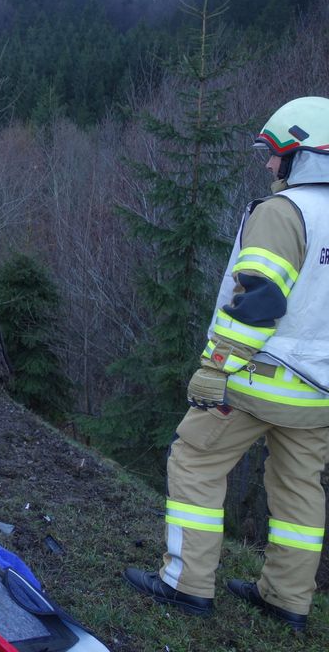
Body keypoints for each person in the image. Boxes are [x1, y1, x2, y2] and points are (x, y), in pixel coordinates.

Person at [123, 96, 329, 634]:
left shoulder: (286, 213)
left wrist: (216, 367)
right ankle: (286, 599)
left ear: (305, 156)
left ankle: (185, 584)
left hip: (257, 380)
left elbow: (260, 301)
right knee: (300, 492)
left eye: (277, 154)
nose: (268, 165)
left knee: (194, 464)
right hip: (319, 396)